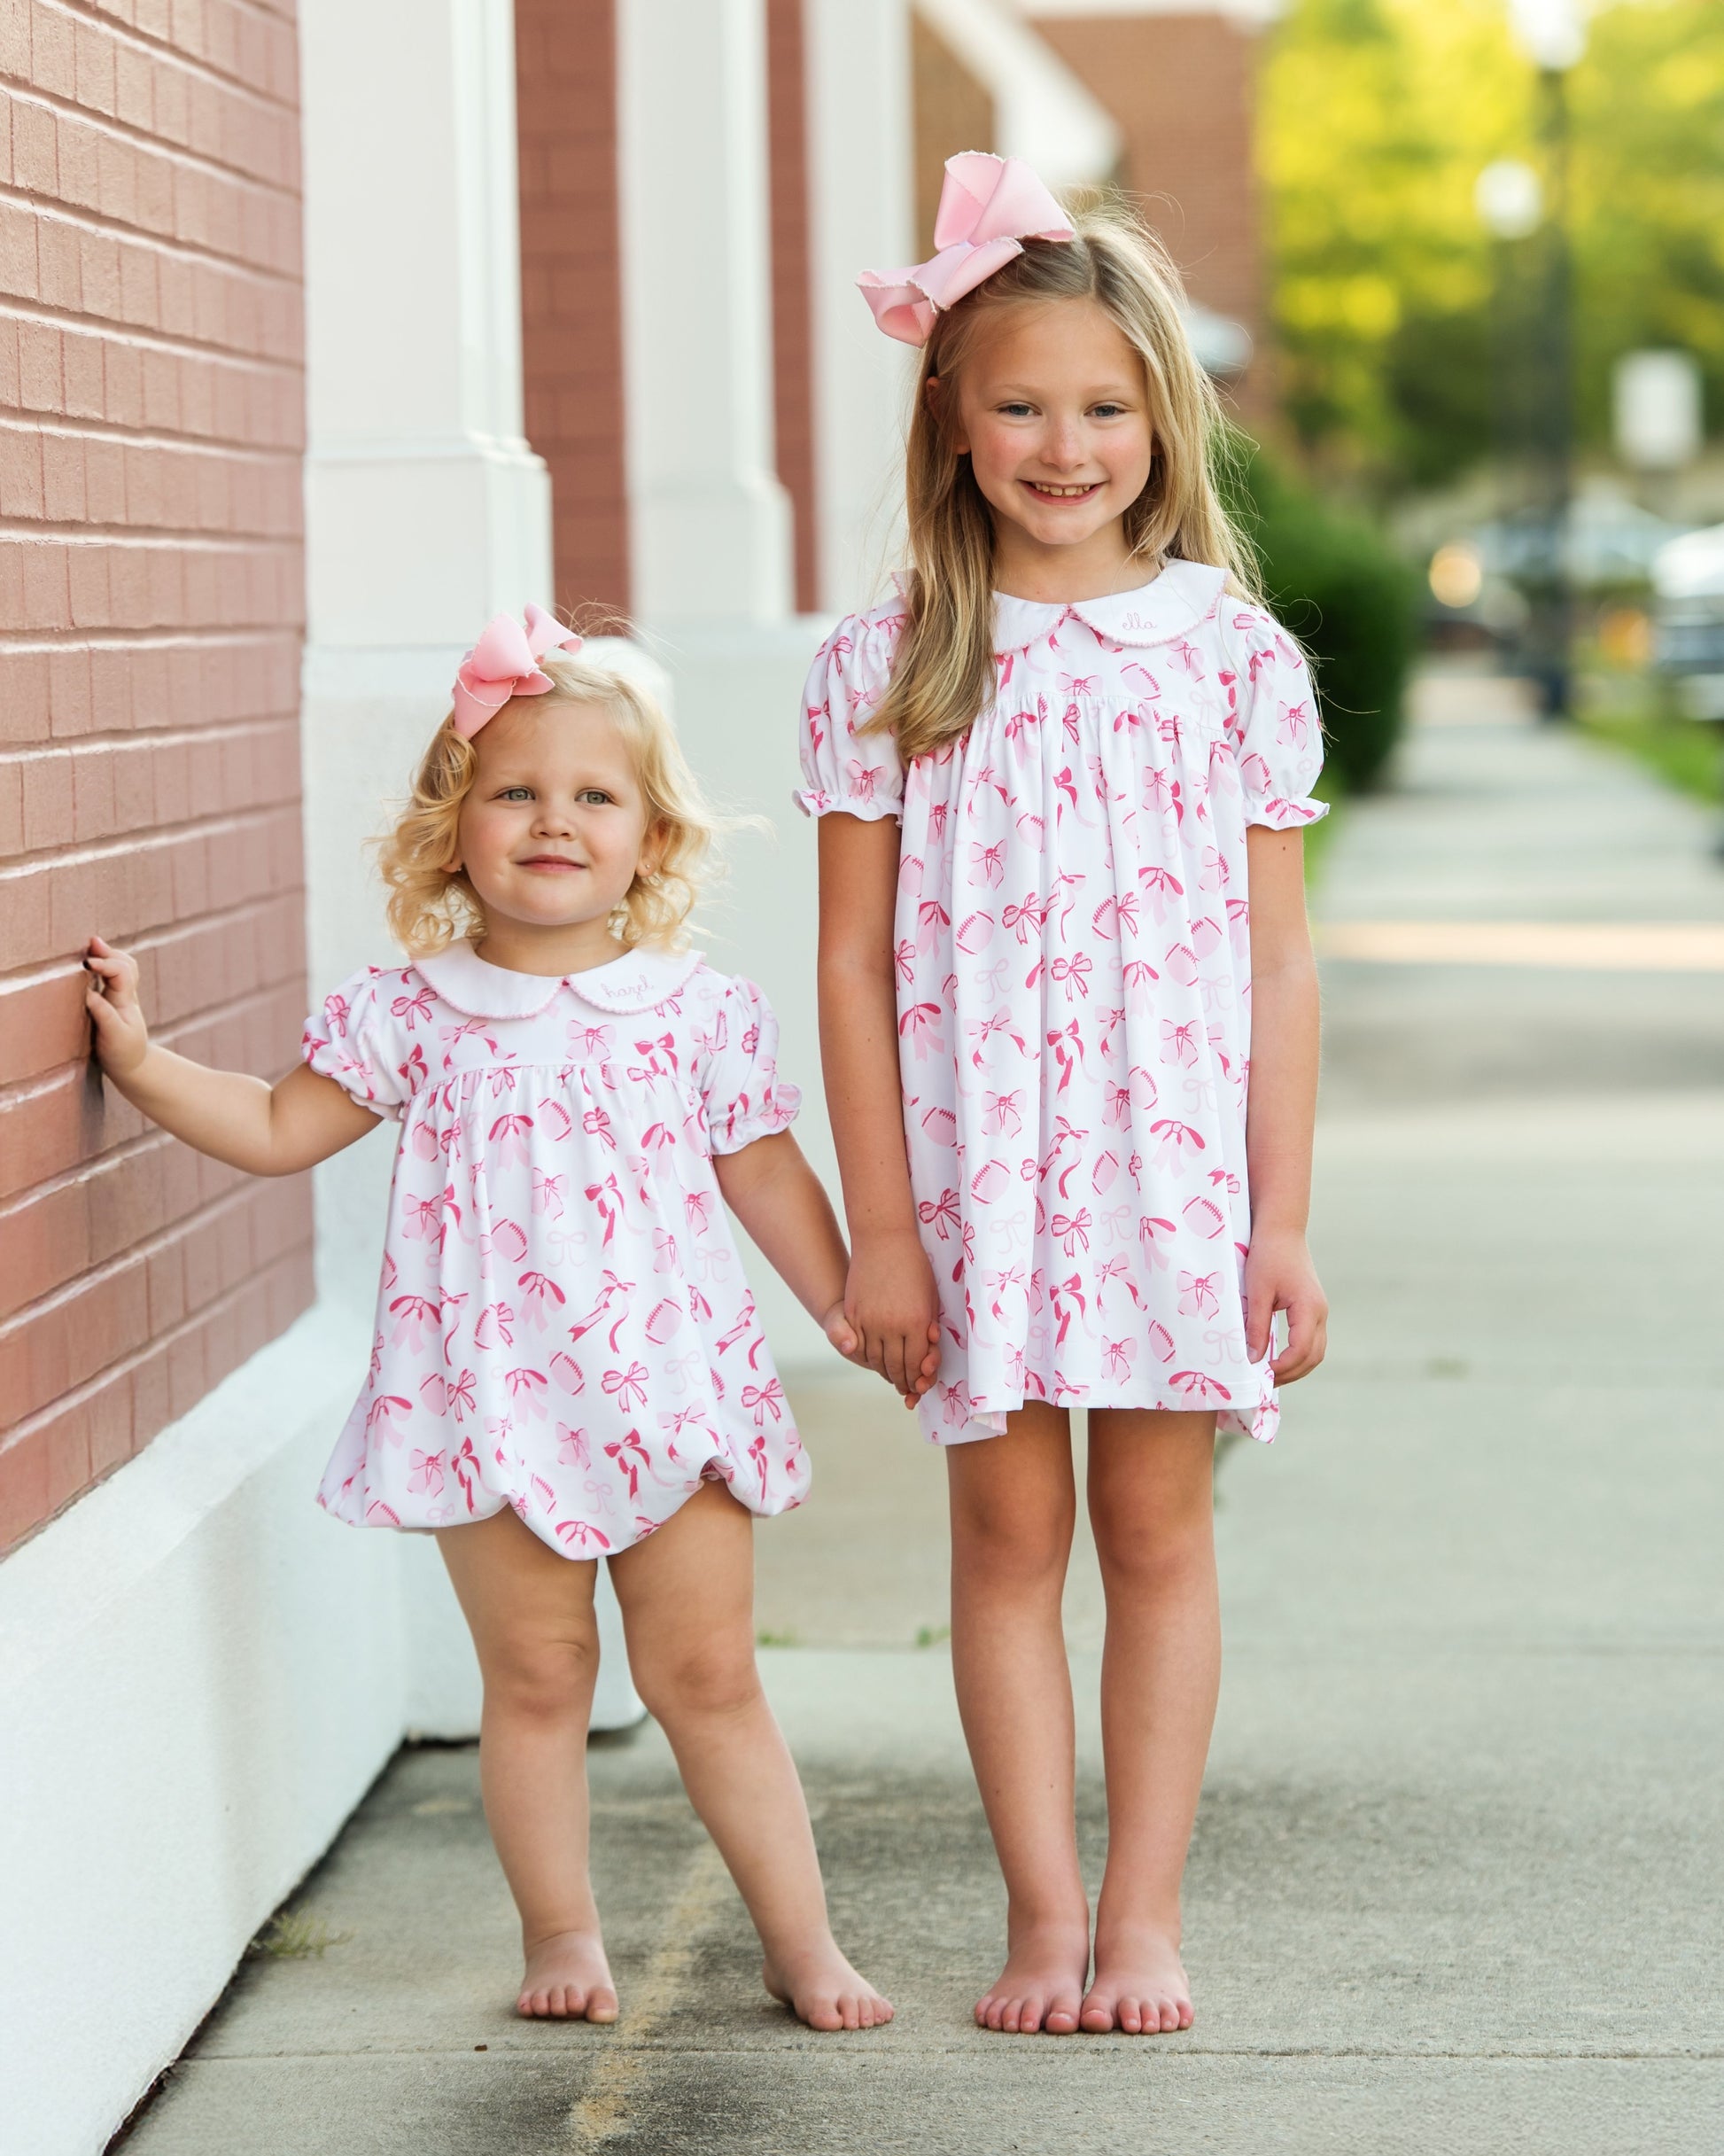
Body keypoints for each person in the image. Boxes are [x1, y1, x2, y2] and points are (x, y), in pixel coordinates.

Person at [85, 608, 892, 2033]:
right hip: (493, 1401)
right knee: (534, 1678)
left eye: (594, 795)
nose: (551, 821)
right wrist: (144, 1065)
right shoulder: (414, 1012)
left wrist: (843, 1300)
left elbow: (764, 1168)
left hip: (674, 1394)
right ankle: (561, 1929)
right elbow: (279, 1126)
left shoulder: (694, 1014)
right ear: (452, 824)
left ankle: (801, 1938)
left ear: (652, 833)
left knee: (707, 1675)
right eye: (513, 791)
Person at [801, 154, 1329, 2038]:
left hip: (1170, 1182)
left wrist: (1276, 1216)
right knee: (1008, 1547)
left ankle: (1146, 1914)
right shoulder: (888, 664)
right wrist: (880, 1227)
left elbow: (1275, 963)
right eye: (1019, 401)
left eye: (1103, 405)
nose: (1061, 441)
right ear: (948, 413)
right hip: (974, 1188)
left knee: (1159, 1537)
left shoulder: (1232, 660)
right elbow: (853, 969)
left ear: (1164, 423)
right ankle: (1040, 1916)